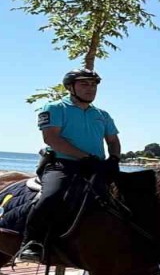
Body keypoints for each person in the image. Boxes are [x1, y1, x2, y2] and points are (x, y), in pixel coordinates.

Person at [20, 69, 121, 260]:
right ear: (70, 87)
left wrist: (114, 158)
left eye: (93, 84)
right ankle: (32, 243)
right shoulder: (54, 108)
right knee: (51, 196)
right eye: (84, 84)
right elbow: (52, 139)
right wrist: (85, 157)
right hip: (62, 165)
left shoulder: (103, 115)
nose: (90, 89)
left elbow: (113, 141)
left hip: (96, 166)